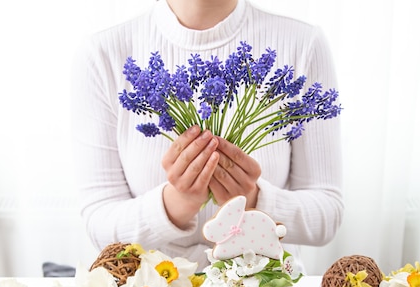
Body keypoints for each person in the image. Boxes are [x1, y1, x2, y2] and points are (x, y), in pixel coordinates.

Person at [71, 0, 343, 269]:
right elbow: (99, 224)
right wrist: (176, 203)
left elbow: (327, 214)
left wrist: (253, 201)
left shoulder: (303, 43)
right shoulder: (103, 53)